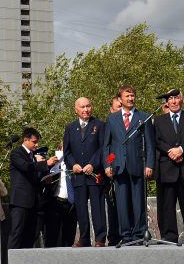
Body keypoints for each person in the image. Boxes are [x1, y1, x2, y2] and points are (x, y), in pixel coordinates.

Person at [103, 86, 156, 244]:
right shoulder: (112, 119)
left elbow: (150, 144)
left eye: (132, 95)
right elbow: (107, 145)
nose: (130, 98)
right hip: (119, 167)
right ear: (120, 99)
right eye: (127, 96)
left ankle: (139, 234)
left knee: (138, 202)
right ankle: (125, 235)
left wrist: (150, 165)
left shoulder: (143, 117)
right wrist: (107, 165)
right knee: (122, 203)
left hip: (138, 165)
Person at [153, 88, 184, 243]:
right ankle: (169, 236)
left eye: (176, 98)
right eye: (170, 99)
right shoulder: (159, 121)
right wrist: (171, 152)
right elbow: (157, 141)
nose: (173, 101)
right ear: (166, 102)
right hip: (167, 168)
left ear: (182, 99)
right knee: (167, 206)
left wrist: (181, 150)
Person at [62, 98, 107, 247]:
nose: (86, 109)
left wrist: (93, 164)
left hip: (94, 174)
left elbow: (103, 149)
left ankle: (100, 238)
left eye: (88, 106)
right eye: (82, 107)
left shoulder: (99, 125)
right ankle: (84, 238)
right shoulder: (70, 128)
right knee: (80, 208)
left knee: (98, 207)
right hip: (78, 175)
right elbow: (67, 151)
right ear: (76, 110)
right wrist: (73, 164)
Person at [9, 128, 59, 249]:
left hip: (34, 201)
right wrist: (45, 164)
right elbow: (25, 167)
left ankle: (25, 262)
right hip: (20, 200)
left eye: (37, 142)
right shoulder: (17, 152)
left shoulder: (33, 156)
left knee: (31, 234)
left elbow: (35, 175)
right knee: (17, 231)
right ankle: (10, 263)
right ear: (25, 140)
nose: (36, 145)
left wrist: (46, 176)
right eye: (34, 142)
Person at [102, 96, 123, 246]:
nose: (121, 110)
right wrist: (108, 165)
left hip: (129, 171)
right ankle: (114, 236)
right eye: (118, 107)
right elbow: (106, 147)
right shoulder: (108, 125)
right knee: (113, 206)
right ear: (111, 110)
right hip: (112, 172)